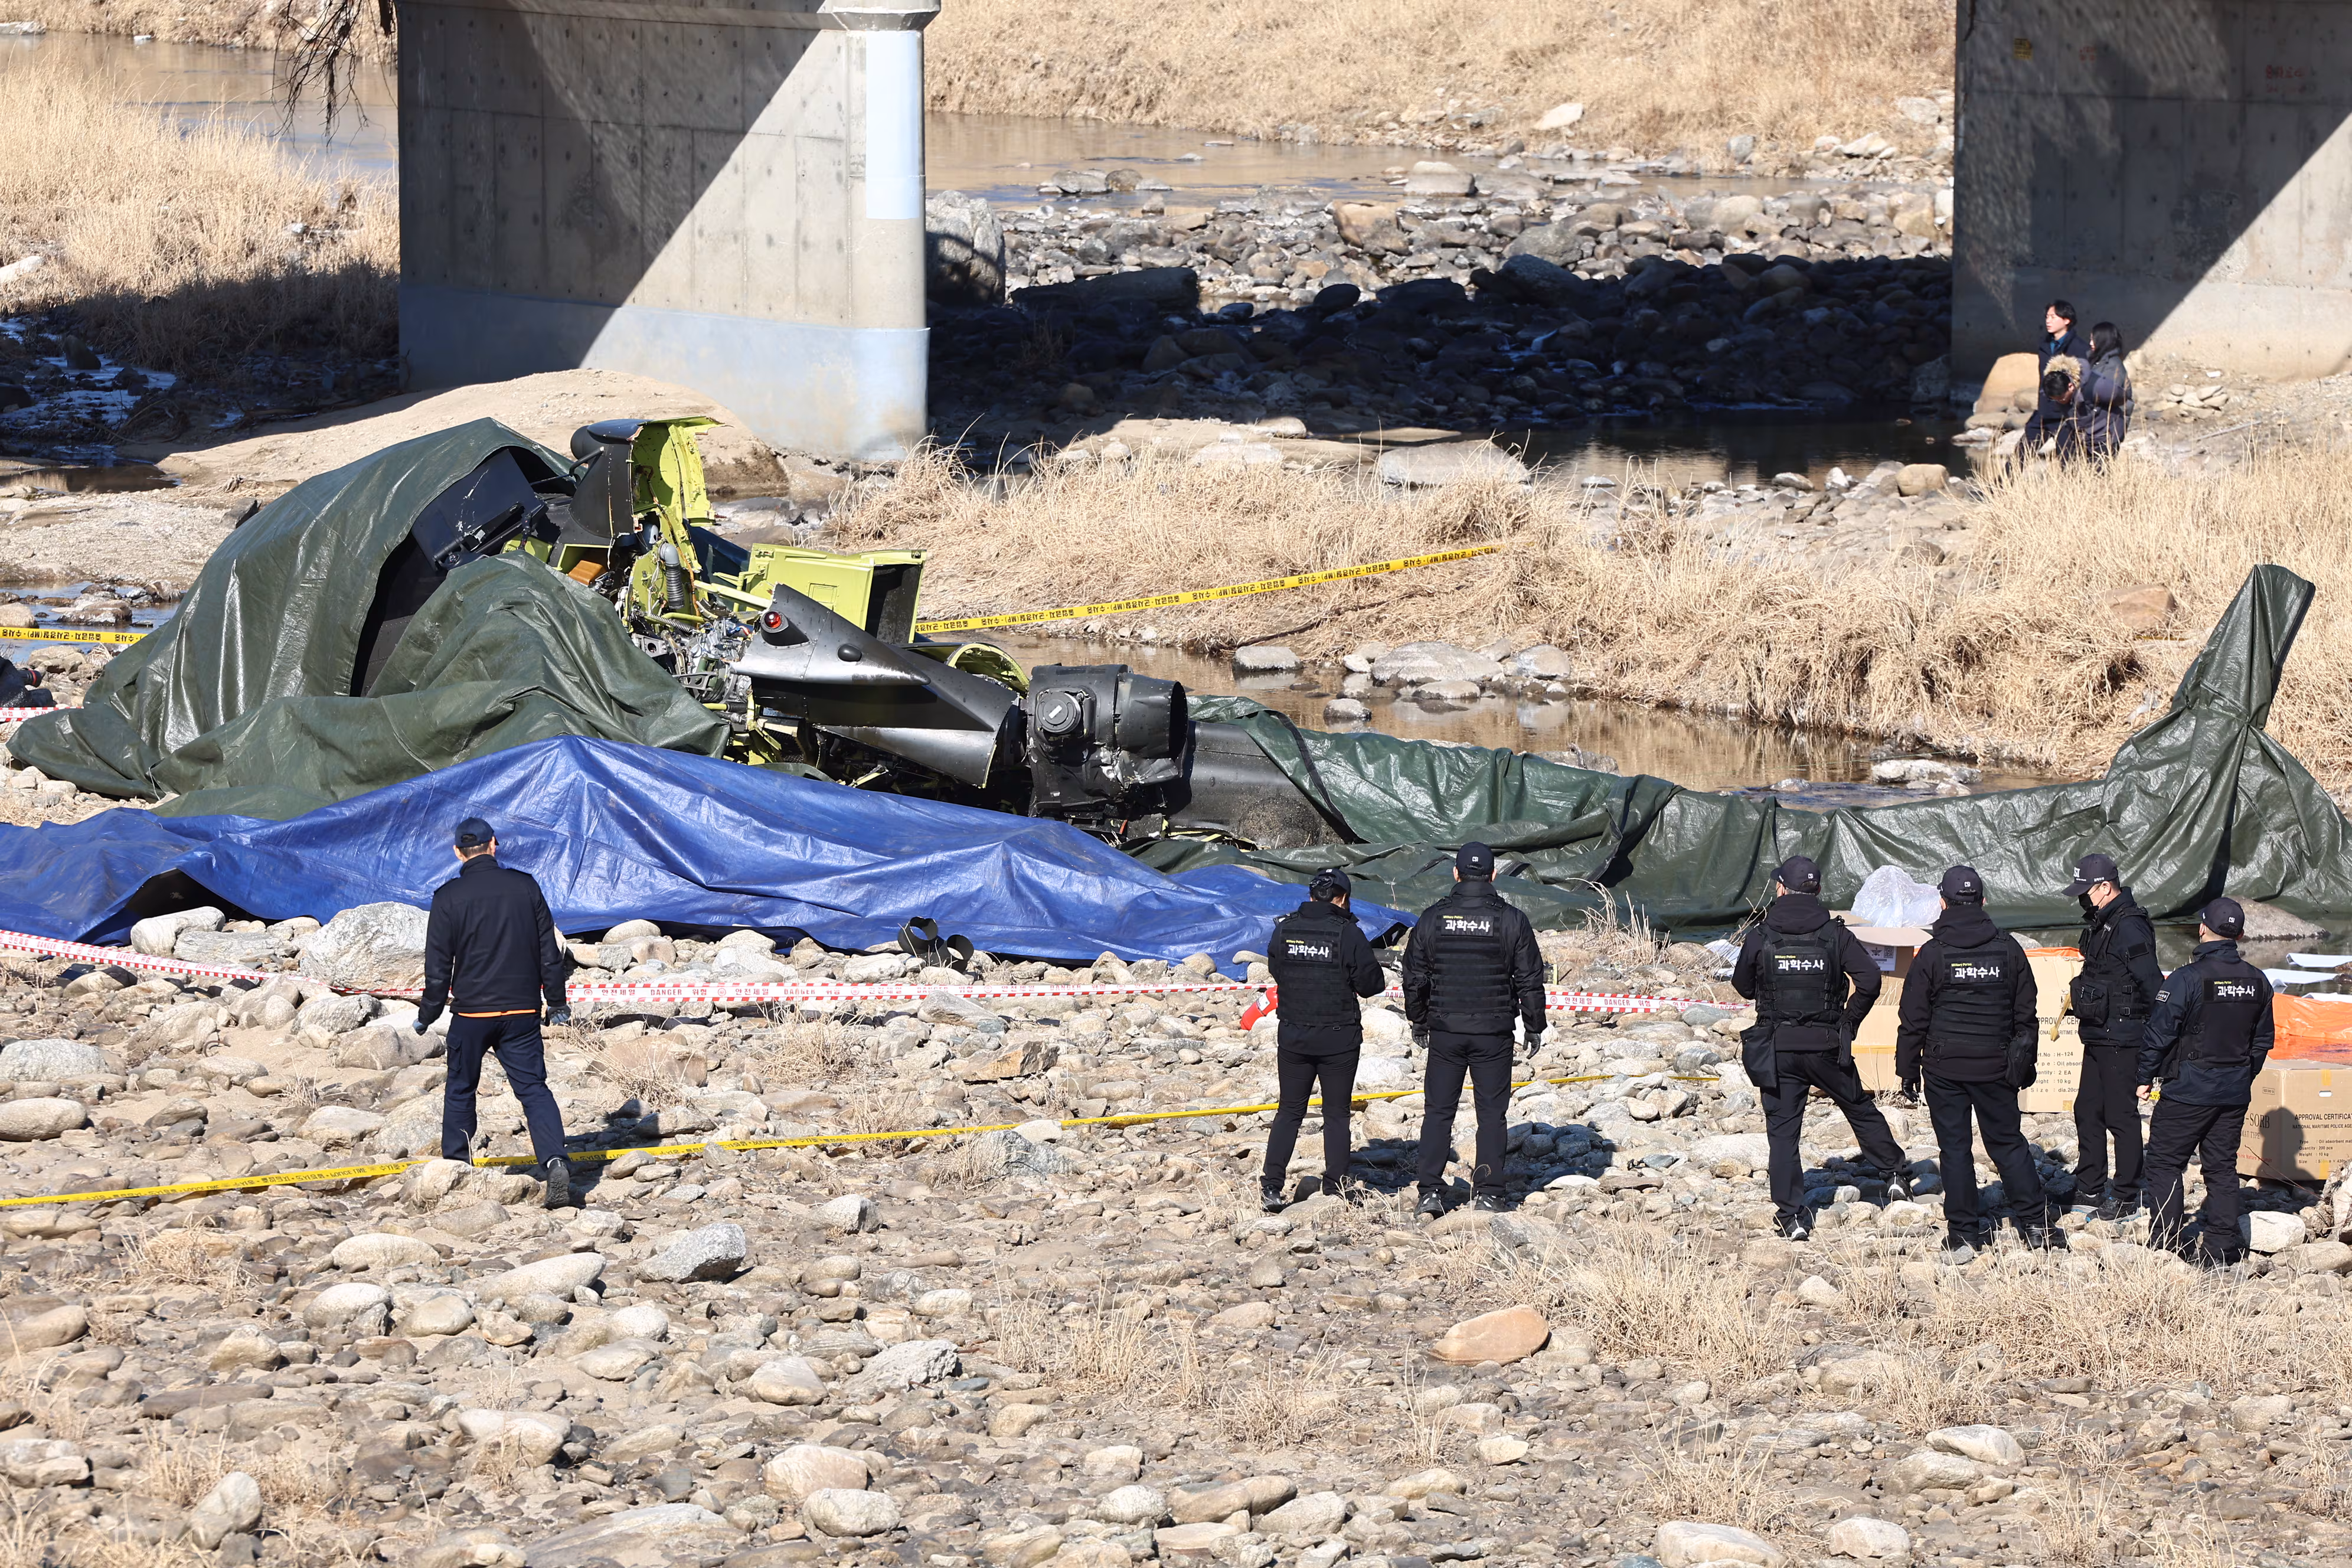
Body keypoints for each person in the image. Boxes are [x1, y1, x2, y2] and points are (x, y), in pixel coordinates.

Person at [1731, 855, 1909, 1242]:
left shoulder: (1761, 935)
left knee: (1783, 1133)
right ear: (1819, 890)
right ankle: (1894, 1174)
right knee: (1858, 1107)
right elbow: (1870, 980)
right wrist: (1849, 1022)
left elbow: (1743, 986)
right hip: (1827, 1044)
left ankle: (1792, 1217)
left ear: (1780, 889)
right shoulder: (1835, 934)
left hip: (1778, 1049)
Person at [1897, 864, 2060, 1257]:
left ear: (1942, 903)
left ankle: (1965, 1234)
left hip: (1945, 1069)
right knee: (2007, 1143)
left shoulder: (1932, 954)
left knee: (1955, 1149)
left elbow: (1913, 1018)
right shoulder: (2008, 948)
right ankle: (2036, 1227)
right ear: (1983, 901)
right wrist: (2025, 1061)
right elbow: (2027, 1012)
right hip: (1995, 1066)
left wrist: (1906, 1070)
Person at [415, 816, 576, 1208]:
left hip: (471, 1015)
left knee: (460, 1089)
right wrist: (556, 1003)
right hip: (522, 1011)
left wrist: (429, 1012)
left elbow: (438, 967)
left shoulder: (447, 897)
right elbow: (549, 954)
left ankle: (458, 1167)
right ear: (494, 845)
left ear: (458, 852)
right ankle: (555, 1160)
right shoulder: (525, 886)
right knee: (534, 1090)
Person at [1403, 842, 1545, 1217]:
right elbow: (1530, 979)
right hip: (1494, 1033)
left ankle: (1430, 1193)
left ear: (1456, 874)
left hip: (1446, 1031)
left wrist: (1418, 1019)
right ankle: (1490, 1193)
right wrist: (1534, 1025)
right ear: (1494, 875)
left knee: (1438, 1112)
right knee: (1492, 1115)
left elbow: (1414, 977)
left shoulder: (1433, 918)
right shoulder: (1513, 919)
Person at [2138, 897, 2273, 1268]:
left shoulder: (2186, 978)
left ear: (2202, 928)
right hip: (2233, 1091)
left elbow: (2160, 1033)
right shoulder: (2258, 980)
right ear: (2240, 935)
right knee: (2221, 1167)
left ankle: (2169, 1241)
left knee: (2165, 1163)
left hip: (2188, 1090)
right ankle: (2222, 1247)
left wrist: (2143, 1076)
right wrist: (2242, 1075)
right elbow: (2262, 1042)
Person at [1261, 868, 1387, 1211]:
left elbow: (1277, 971)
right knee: (1336, 1114)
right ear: (1343, 899)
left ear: (1311, 895)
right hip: (1338, 1038)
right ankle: (1336, 1186)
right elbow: (1372, 986)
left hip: (1293, 1035)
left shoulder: (1284, 929)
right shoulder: (1348, 934)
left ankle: (1271, 1186)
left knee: (1289, 1110)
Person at [2060, 851, 2161, 1219]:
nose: (2082, 899)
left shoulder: (2129, 925)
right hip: (2099, 1034)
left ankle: (2126, 1194)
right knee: (2087, 1109)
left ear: (2105, 887)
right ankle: (2089, 1186)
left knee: (2121, 1116)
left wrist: (2158, 1042)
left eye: (2086, 892)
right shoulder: (2104, 921)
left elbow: (2151, 982)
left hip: (2123, 1036)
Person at [2022, 299, 2087, 450]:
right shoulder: (2044, 345)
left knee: (2068, 460)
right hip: (2044, 411)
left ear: (2066, 320)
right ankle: (2003, 476)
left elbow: (2084, 382)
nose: (2048, 321)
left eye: (2053, 317)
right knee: (2022, 453)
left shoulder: (2079, 348)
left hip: (2065, 415)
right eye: (2047, 317)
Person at [2076, 321, 2134, 459]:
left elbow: (2109, 397)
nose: (2090, 343)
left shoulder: (2113, 367)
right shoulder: (2096, 361)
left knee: (2100, 470)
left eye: (2093, 339)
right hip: (2093, 428)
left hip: (2107, 429)